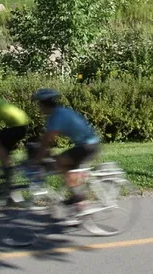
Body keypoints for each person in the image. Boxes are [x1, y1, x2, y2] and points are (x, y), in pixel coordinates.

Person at [31, 88, 101, 216]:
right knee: (67, 167)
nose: (38, 108)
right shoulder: (61, 112)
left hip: (87, 146)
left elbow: (47, 141)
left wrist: (37, 159)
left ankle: (80, 198)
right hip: (89, 144)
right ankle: (79, 200)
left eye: (39, 105)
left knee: (58, 162)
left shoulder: (55, 117)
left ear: (44, 104)